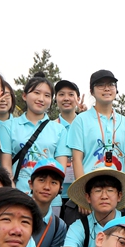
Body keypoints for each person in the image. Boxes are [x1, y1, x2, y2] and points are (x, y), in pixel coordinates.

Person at [56, 170, 125, 247]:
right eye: (98, 191)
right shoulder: (79, 226)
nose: (104, 196)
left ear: (119, 196)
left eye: (110, 190)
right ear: (88, 197)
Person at [67, 70, 125, 180]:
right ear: (92, 91)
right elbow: (77, 159)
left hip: (118, 188)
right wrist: (82, 191)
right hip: (91, 187)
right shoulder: (80, 120)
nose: (107, 88)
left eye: (111, 84)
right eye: (100, 85)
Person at [9, 74, 64, 203]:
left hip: (49, 198)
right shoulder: (10, 125)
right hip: (17, 193)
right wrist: (10, 189)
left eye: (47, 95)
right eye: (36, 93)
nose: (41, 99)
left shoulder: (59, 129)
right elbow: (5, 163)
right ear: (24, 95)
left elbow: (60, 167)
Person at [29, 159, 69, 247]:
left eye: (54, 183)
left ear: (60, 188)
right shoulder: (12, 211)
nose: (47, 187)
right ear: (31, 183)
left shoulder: (59, 226)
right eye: (41, 180)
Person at [52, 78, 84, 221]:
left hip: (82, 194)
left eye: (71, 94)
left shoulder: (85, 126)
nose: (66, 98)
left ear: (77, 98)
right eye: (61, 94)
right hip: (56, 195)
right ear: (56, 98)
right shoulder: (50, 127)